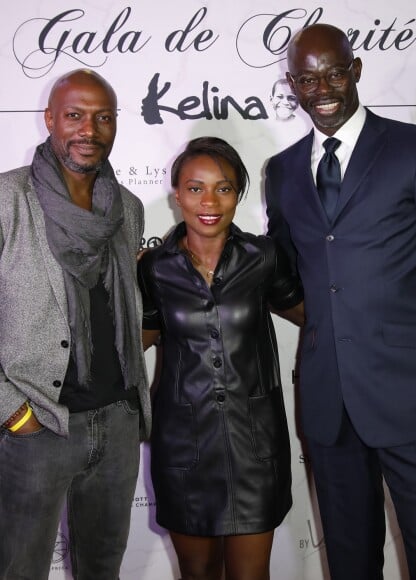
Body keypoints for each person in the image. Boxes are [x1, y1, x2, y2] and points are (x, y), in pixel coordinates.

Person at [265, 23, 416, 580]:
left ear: (357, 70)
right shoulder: (283, 171)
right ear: (292, 84)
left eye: (335, 73)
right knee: (348, 564)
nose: (323, 89)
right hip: (327, 405)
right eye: (308, 78)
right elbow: (280, 274)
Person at [0, 69, 151, 579]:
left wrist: (130, 406)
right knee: (20, 569)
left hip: (116, 422)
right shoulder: (7, 200)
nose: (89, 129)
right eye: (75, 115)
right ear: (49, 119)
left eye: (103, 117)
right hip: (36, 425)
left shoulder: (126, 208)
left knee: (101, 569)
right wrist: (13, 413)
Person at [138, 137, 304, 580]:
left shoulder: (265, 257)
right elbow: (136, 342)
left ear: (238, 194)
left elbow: (317, 315)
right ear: (177, 194)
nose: (209, 201)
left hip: (256, 447)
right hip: (184, 449)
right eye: (195, 188)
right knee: (198, 574)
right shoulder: (153, 267)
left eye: (223, 188)